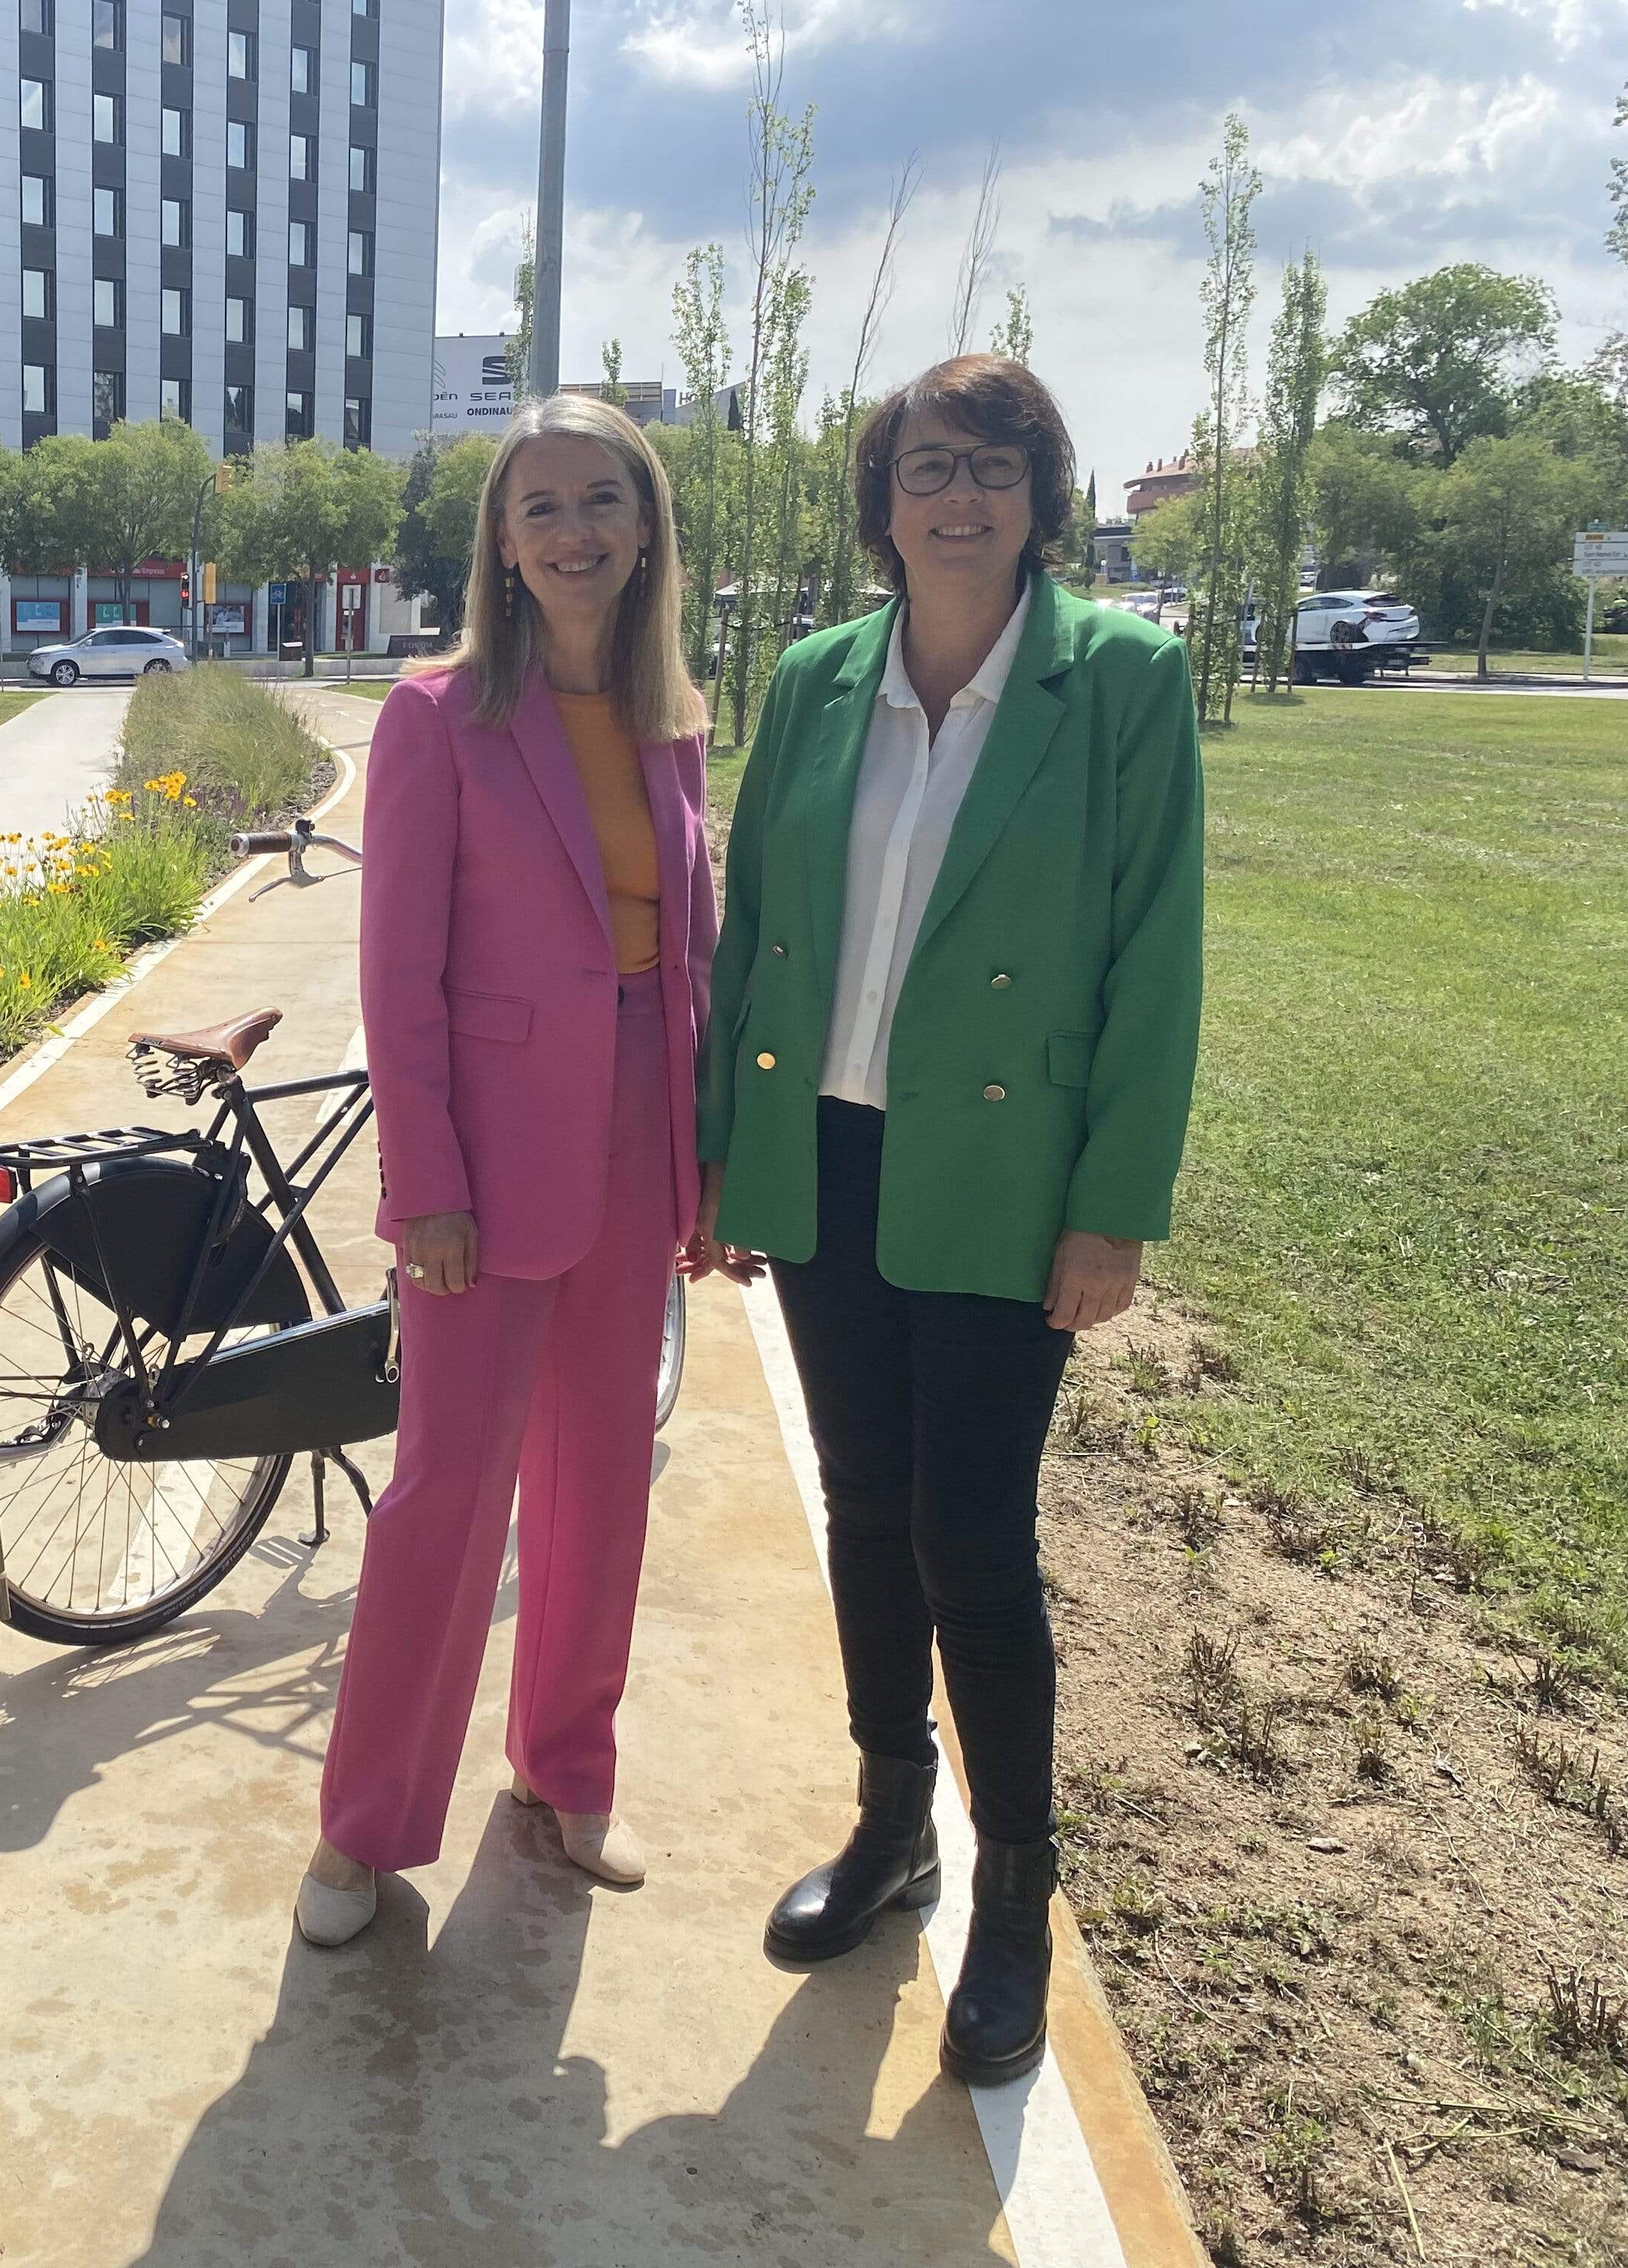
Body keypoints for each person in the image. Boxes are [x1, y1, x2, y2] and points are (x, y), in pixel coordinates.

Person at [695, 355, 1205, 2085]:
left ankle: (1016, 1909)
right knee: (862, 1509)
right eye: (929, 465)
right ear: (884, 498)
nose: (960, 496)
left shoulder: (1121, 680)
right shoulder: (819, 678)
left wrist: (1115, 1210)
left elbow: (1156, 962)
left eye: (994, 465)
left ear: (1040, 491)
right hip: (829, 1155)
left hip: (1002, 1176)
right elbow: (752, 918)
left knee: (971, 1534)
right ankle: (893, 1822)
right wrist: (727, 1148)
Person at [299, 392, 718, 1948]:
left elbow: (695, 950)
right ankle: (364, 1831)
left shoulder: (674, 712)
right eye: (540, 506)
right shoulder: (439, 716)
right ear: (499, 538)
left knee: (604, 1486)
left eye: (601, 500)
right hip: (484, 1156)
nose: (573, 532)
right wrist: (428, 1187)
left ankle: (567, 1771)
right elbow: (396, 978)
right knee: (449, 1494)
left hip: (633, 1136)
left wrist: (706, 1160)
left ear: (646, 524)